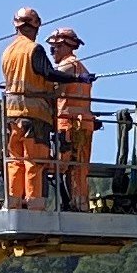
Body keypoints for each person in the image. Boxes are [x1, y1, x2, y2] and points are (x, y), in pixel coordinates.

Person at [0, 7, 89, 209]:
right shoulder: (33, 49)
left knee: (15, 160)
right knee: (35, 161)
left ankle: (13, 202)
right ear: (34, 26)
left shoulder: (7, 52)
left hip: (11, 115)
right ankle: (34, 205)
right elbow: (47, 73)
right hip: (33, 115)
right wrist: (76, 78)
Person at [45, 27, 98, 210]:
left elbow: (53, 93)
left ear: (66, 46)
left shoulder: (65, 67)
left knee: (62, 166)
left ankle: (68, 204)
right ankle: (80, 204)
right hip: (84, 124)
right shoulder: (81, 68)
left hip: (68, 124)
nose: (53, 52)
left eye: (55, 48)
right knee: (80, 167)